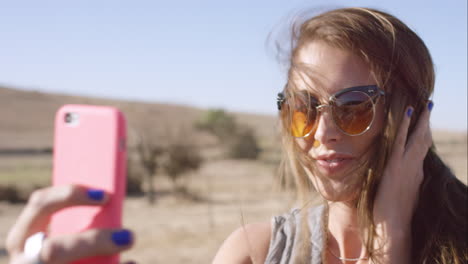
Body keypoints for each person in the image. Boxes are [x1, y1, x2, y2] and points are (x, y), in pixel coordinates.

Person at [5, 7, 467, 264]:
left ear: (415, 118)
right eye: (304, 109)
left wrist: (393, 237)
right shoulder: (256, 252)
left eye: (354, 108)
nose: (321, 133)